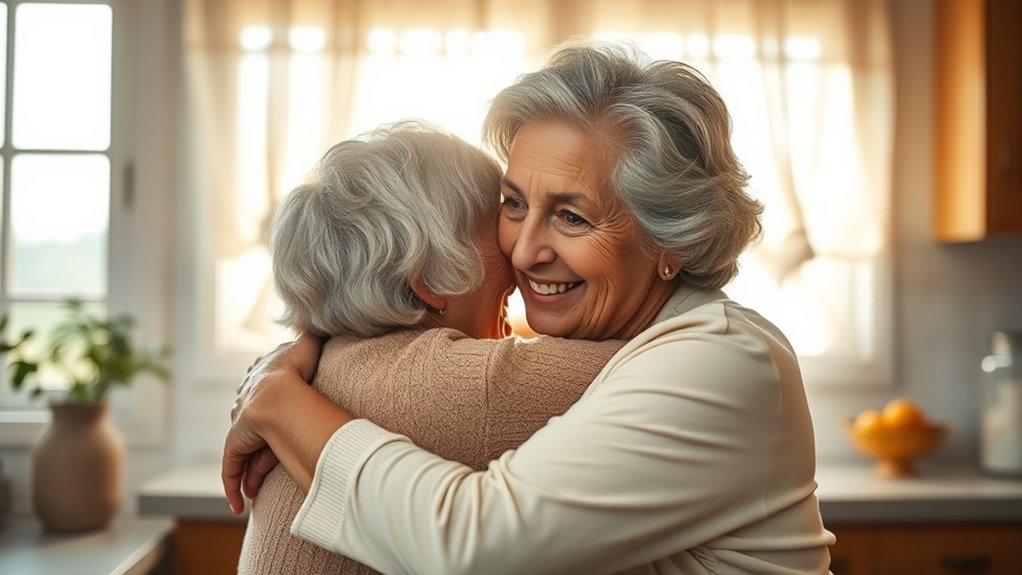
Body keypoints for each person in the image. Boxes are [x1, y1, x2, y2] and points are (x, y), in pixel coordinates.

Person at [224, 42, 836, 574]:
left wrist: (281, 395)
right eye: (513, 204)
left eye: (572, 216)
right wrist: (306, 346)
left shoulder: (721, 361)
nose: (525, 250)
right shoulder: (604, 337)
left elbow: (475, 550)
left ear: (668, 239)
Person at [235, 121, 625, 574]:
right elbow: (671, 359)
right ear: (432, 281)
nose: (520, 251)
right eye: (502, 218)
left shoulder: (336, 363)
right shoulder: (458, 382)